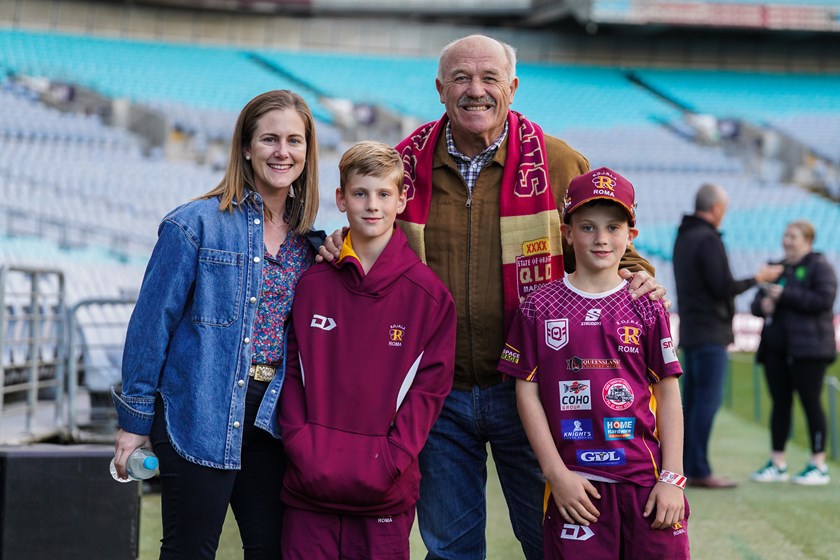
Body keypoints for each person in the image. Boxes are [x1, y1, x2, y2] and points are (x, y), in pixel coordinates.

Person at [319, 34, 664, 560]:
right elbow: (366, 236)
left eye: (489, 79)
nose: (475, 91)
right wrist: (334, 246)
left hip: (534, 394)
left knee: (549, 542)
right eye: (461, 78)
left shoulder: (557, 161)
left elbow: (605, 240)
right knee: (451, 550)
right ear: (440, 89)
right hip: (437, 395)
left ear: (513, 87)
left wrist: (640, 275)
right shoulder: (403, 167)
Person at [111, 90, 320, 559]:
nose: (282, 152)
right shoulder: (192, 225)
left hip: (274, 420)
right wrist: (133, 424)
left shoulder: (311, 244)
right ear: (246, 147)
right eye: (269, 139)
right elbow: (150, 327)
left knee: (274, 550)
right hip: (199, 408)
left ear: (308, 152)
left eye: (294, 140)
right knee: (190, 550)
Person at [278, 141, 456, 559]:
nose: (371, 205)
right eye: (360, 193)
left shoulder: (430, 297)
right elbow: (290, 371)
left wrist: (391, 459)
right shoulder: (312, 285)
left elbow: (429, 392)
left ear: (401, 200)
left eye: (383, 194)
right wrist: (301, 444)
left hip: (384, 492)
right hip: (309, 488)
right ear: (341, 200)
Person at [500, 167, 690, 559]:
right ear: (567, 233)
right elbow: (527, 395)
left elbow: (667, 393)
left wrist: (672, 477)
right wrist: (556, 475)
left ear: (630, 236)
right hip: (576, 487)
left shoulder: (647, 306)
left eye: (613, 227)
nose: (601, 239)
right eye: (587, 227)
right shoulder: (538, 307)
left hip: (647, 483)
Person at [672, 183, 782, 489]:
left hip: (692, 331)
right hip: (709, 332)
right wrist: (758, 277)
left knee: (692, 403)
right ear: (717, 209)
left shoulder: (683, 236)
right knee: (705, 402)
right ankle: (699, 469)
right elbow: (723, 286)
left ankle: (686, 467)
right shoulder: (707, 239)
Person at [750, 220, 837, 486]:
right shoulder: (778, 267)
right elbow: (756, 304)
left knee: (811, 403)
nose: (787, 241)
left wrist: (785, 295)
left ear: (808, 240)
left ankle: (818, 464)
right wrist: (765, 304)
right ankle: (778, 462)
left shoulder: (819, 267)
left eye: (793, 236)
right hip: (777, 349)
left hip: (809, 350)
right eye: (786, 235)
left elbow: (824, 300)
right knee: (780, 404)